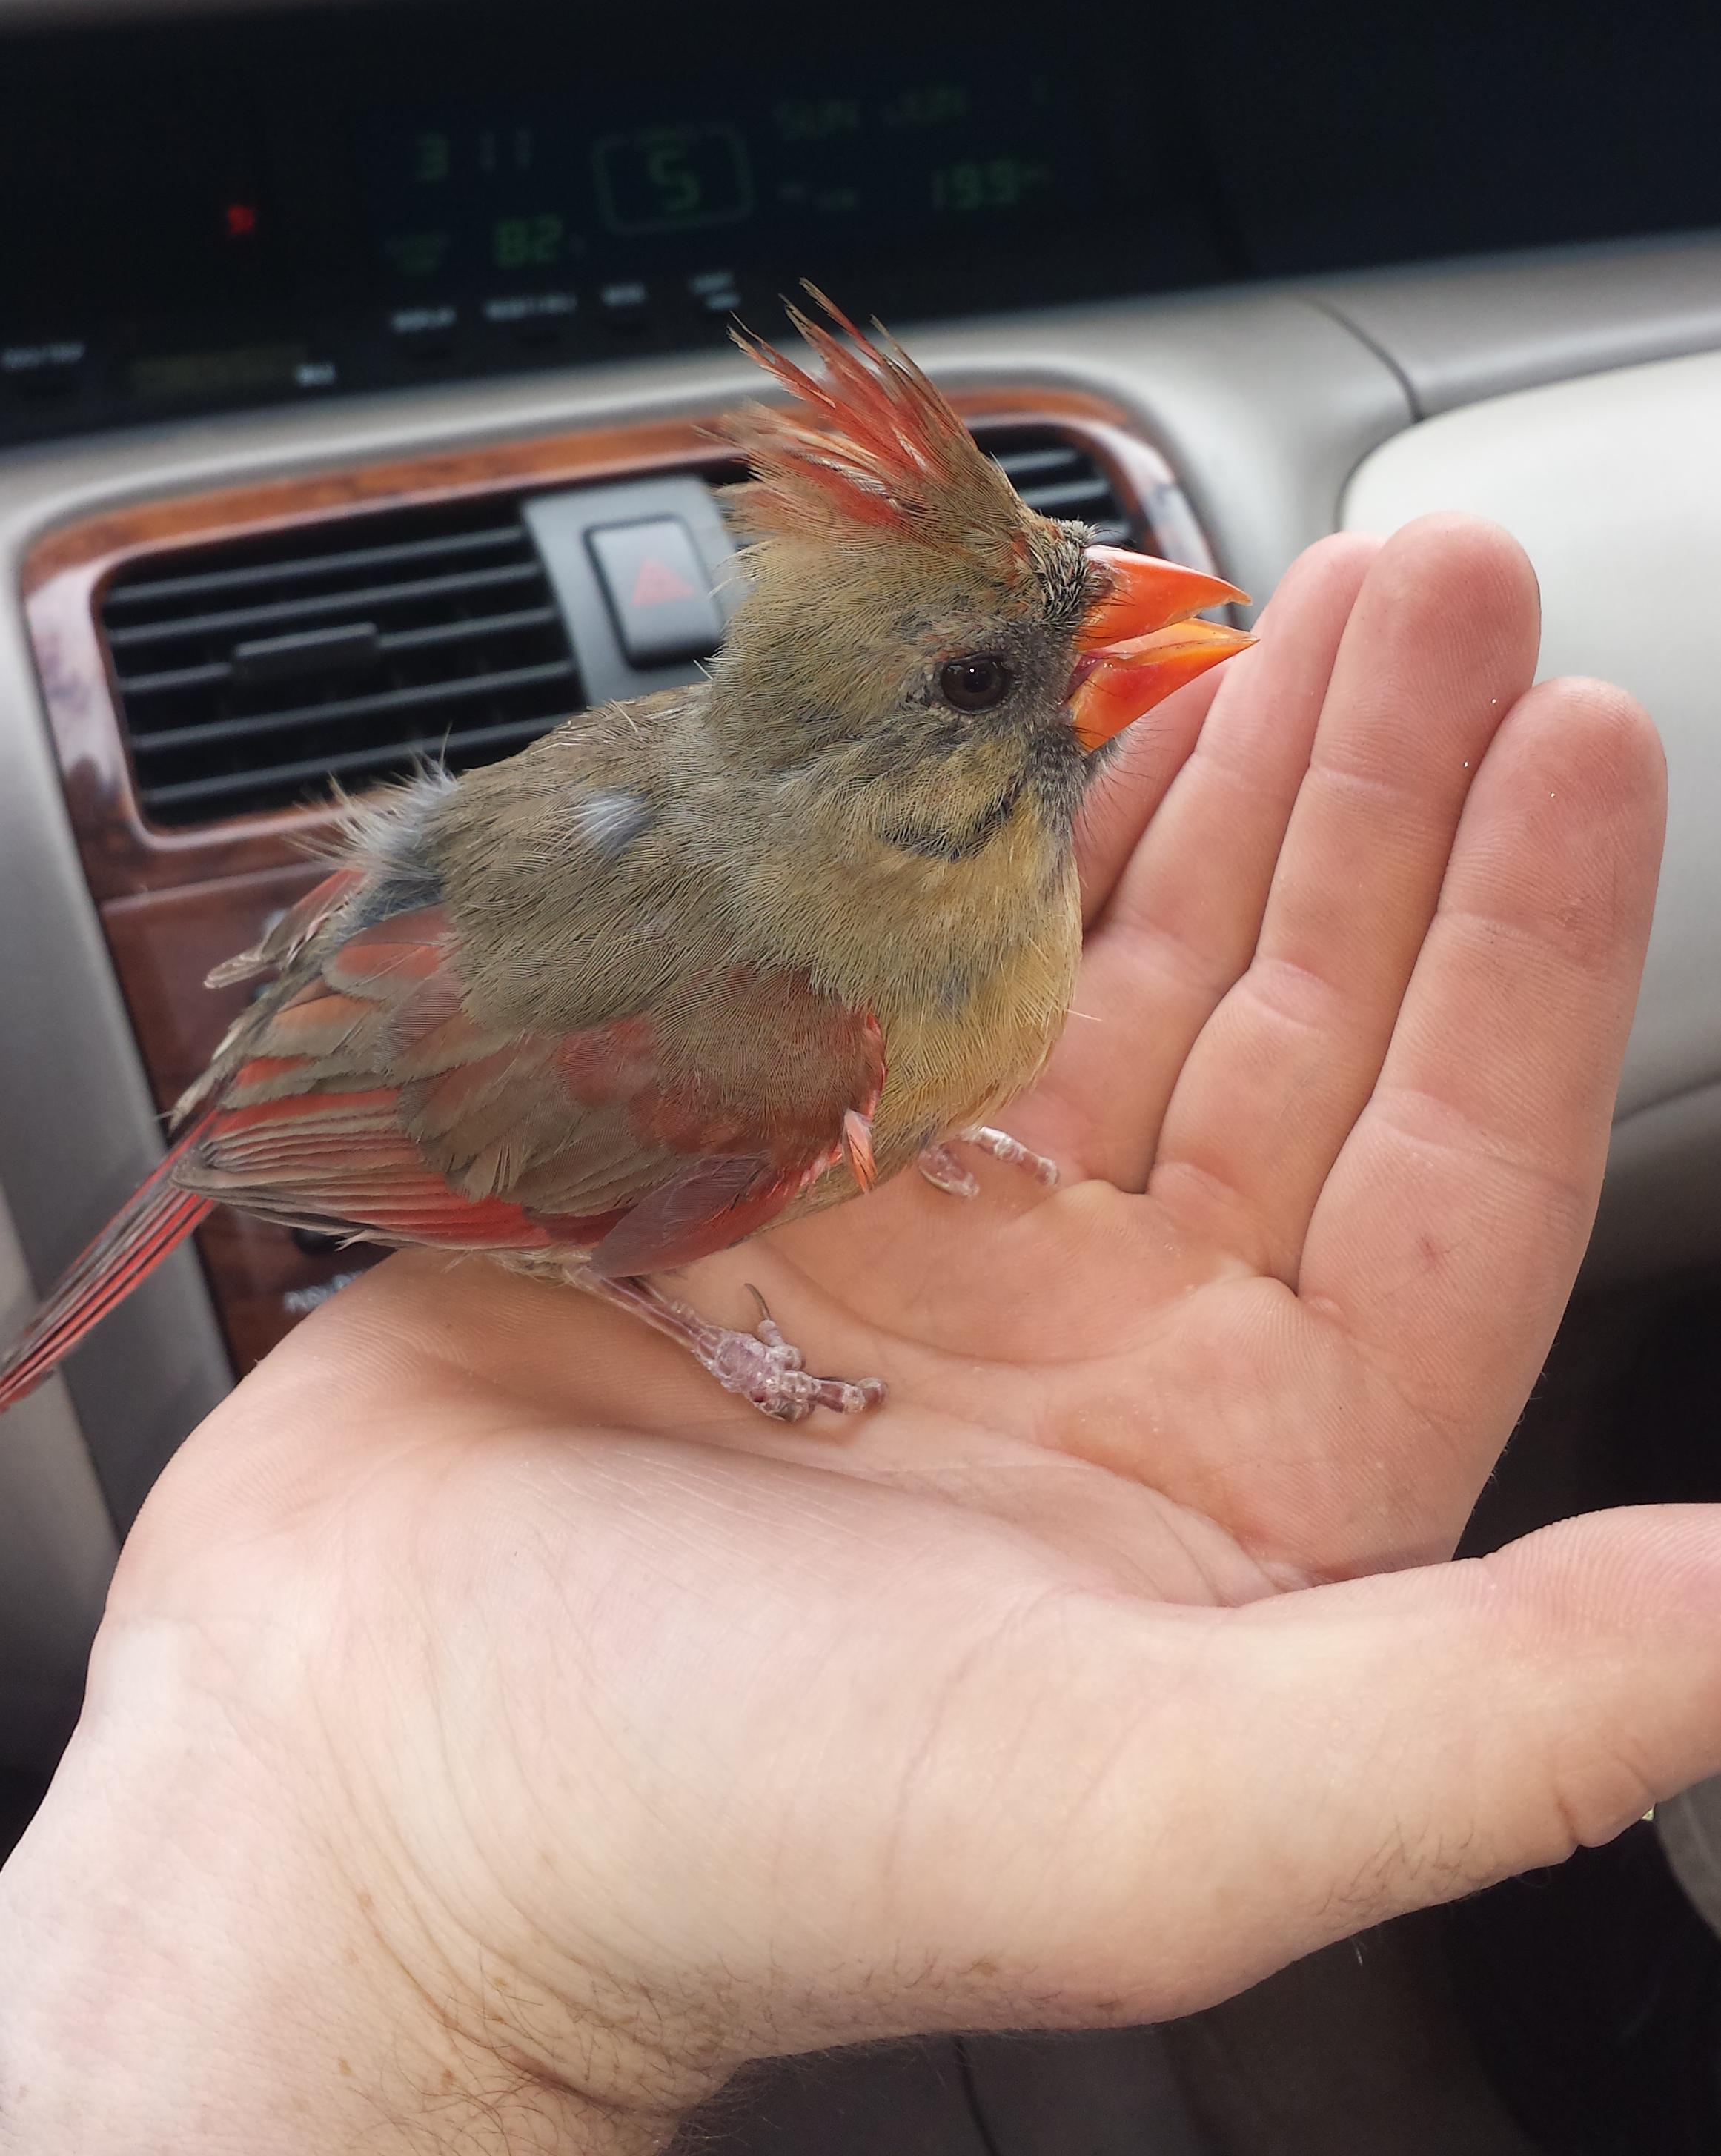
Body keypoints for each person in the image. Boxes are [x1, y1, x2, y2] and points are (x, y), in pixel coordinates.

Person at [0, 515, 1711, 2154]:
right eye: (984, 682)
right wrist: (722, 1341)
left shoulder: (916, 922)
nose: (1123, 631)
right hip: (402, 1068)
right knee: (658, 1217)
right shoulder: (781, 1031)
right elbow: (457, 1158)